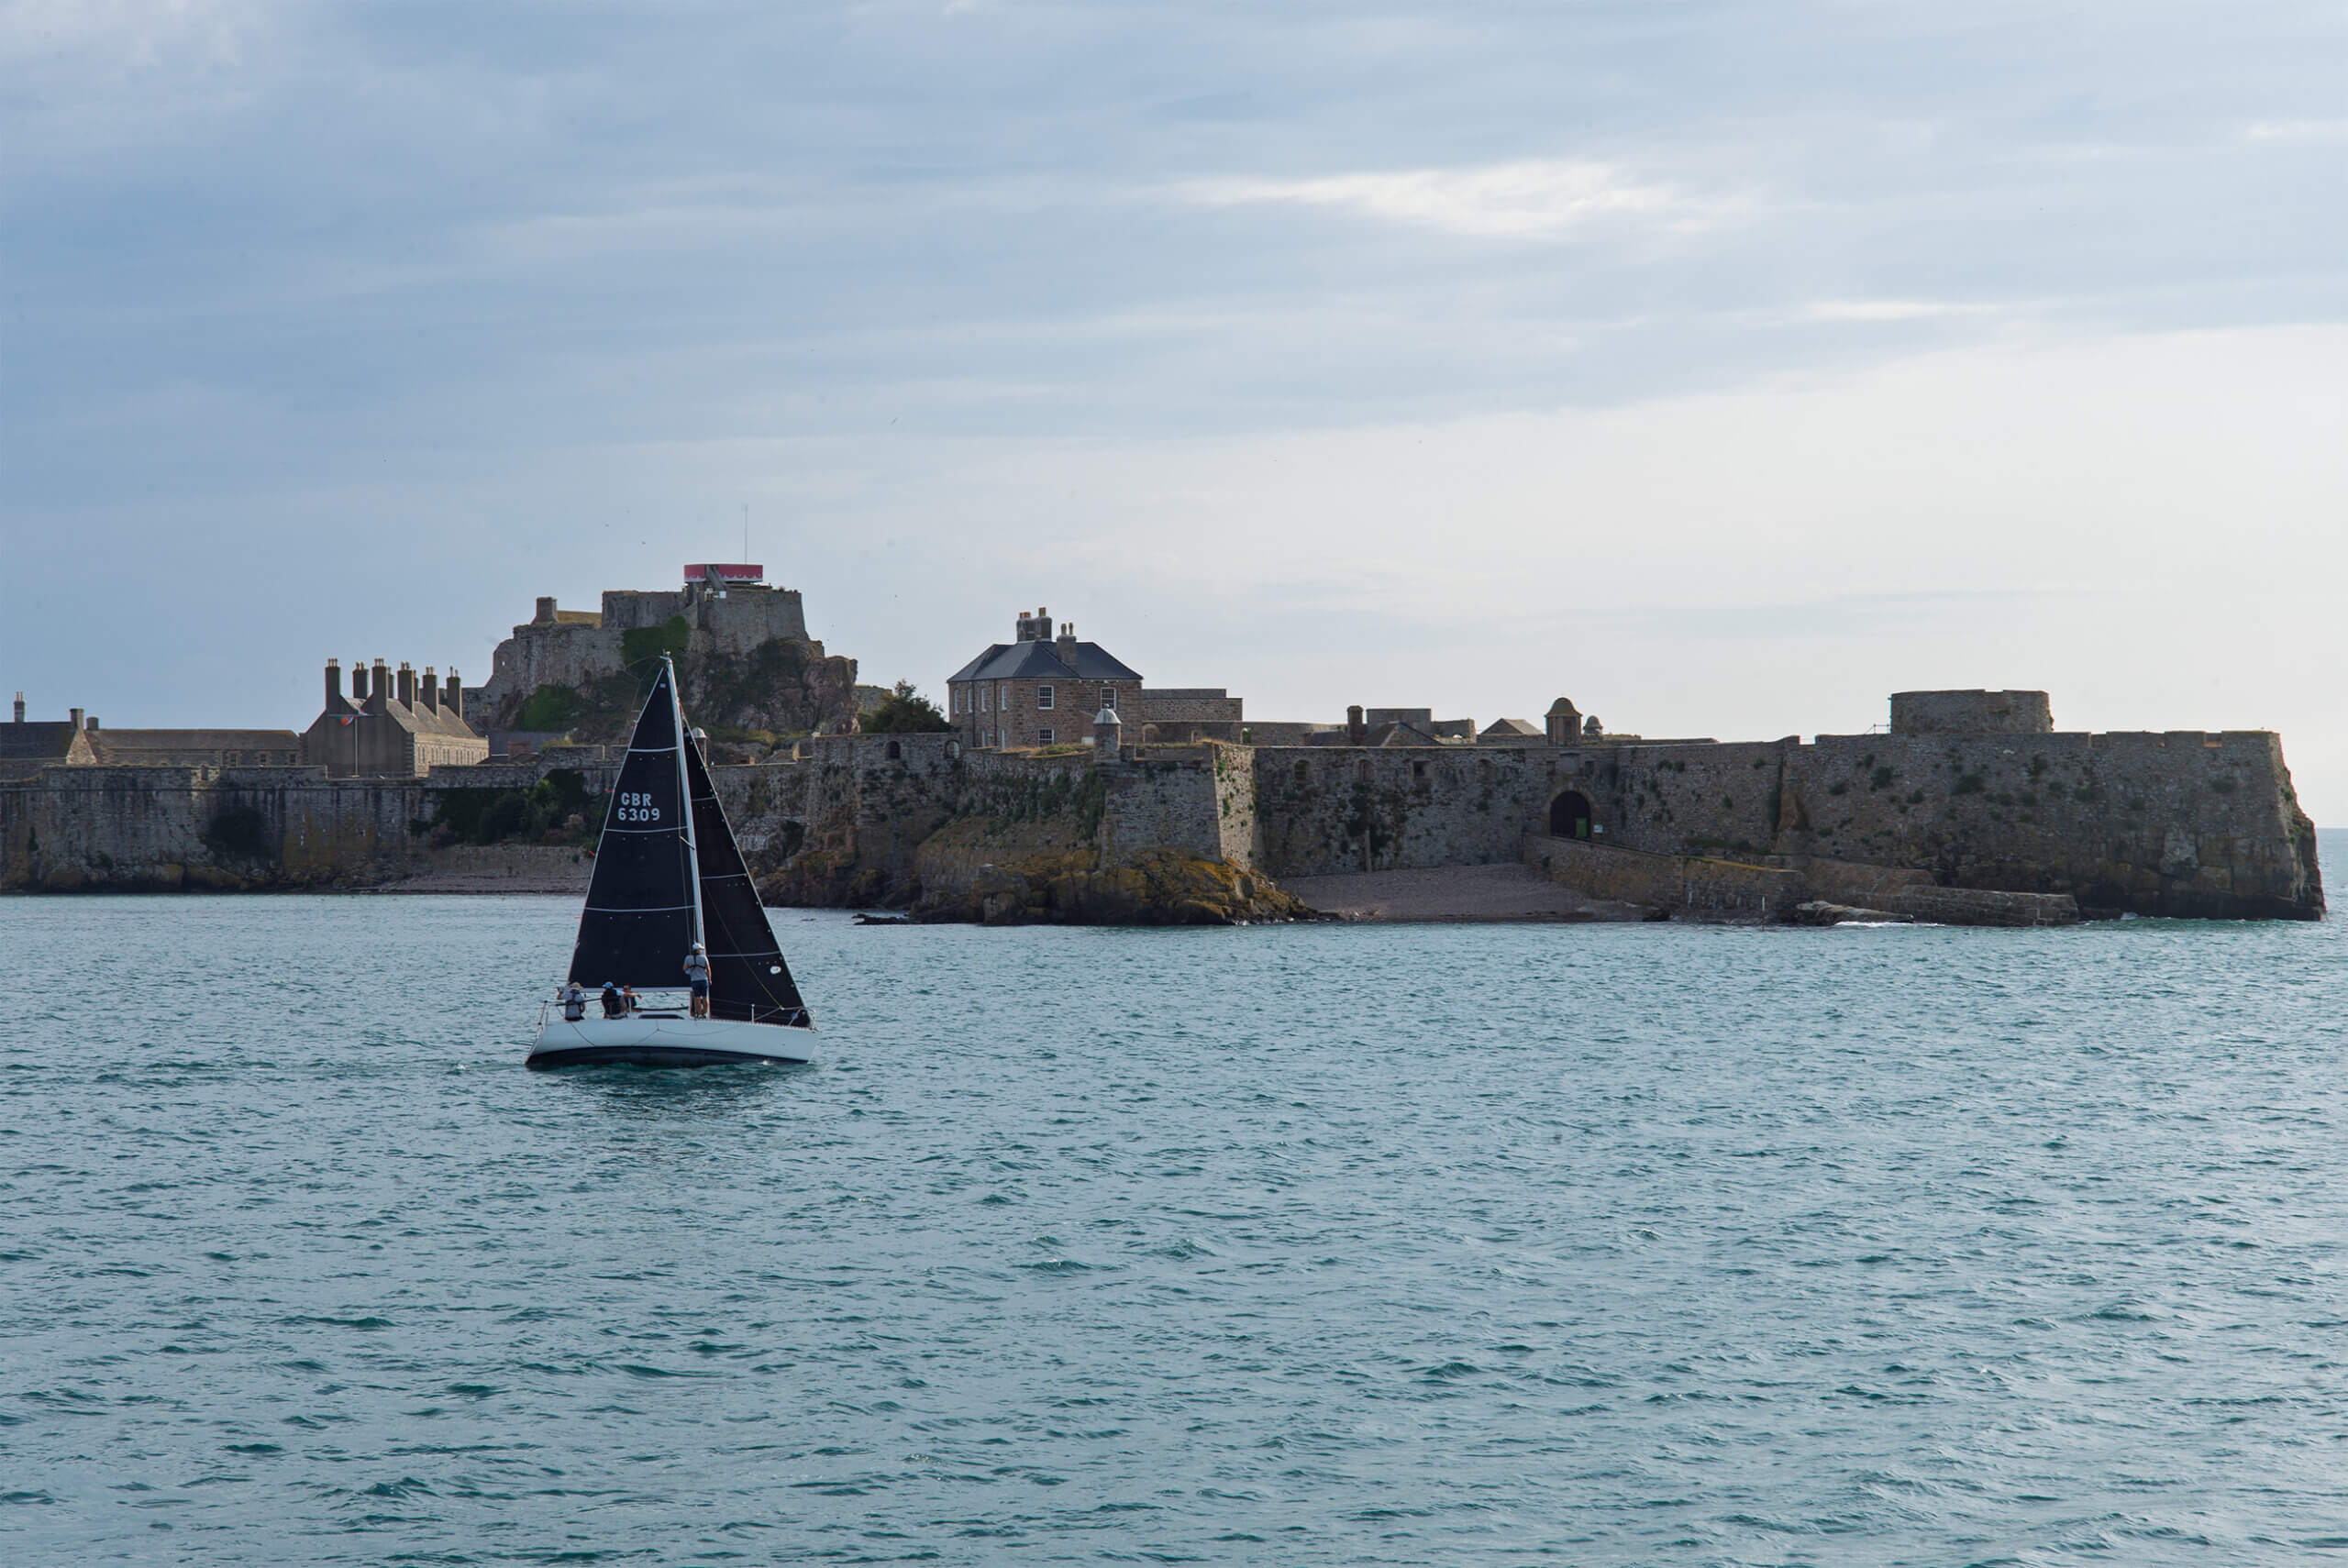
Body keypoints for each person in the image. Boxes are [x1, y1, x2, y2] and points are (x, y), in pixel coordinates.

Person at [683, 942, 711, 1019]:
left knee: (697, 998)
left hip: (694, 980)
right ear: (698, 950)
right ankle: (704, 1013)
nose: (701, 951)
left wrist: (691, 968)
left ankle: (699, 1014)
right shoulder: (703, 958)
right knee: (705, 997)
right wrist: (710, 979)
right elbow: (708, 969)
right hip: (703, 980)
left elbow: (684, 969)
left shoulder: (688, 958)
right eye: (700, 949)